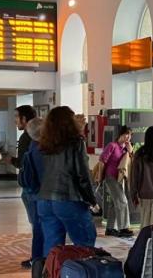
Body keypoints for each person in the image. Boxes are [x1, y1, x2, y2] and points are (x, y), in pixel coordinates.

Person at [38, 105, 98, 254]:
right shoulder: (76, 142)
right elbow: (82, 174)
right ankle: (83, 275)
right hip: (68, 198)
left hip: (45, 200)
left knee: (52, 249)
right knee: (86, 241)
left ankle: (51, 276)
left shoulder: (46, 145)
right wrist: (92, 200)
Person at [11, 105, 38, 266]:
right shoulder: (39, 137)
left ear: (24, 119)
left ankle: (37, 259)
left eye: (17, 118)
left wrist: (9, 160)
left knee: (37, 224)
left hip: (30, 187)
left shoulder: (26, 137)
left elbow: (22, 163)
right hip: (37, 187)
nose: (15, 121)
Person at [18, 118, 45, 268]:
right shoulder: (41, 150)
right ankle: (39, 260)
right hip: (40, 193)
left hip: (33, 191)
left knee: (38, 226)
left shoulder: (32, 146)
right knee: (40, 227)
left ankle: (37, 259)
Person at [100, 125, 134, 237]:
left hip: (119, 179)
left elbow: (132, 162)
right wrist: (100, 177)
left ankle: (110, 228)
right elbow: (102, 161)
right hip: (110, 177)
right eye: (126, 134)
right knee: (122, 201)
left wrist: (130, 151)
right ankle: (123, 228)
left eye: (130, 134)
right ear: (120, 134)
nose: (128, 137)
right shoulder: (112, 146)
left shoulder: (126, 148)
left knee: (114, 203)